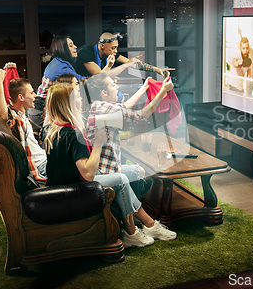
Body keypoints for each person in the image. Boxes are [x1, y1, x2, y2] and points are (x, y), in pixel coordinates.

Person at [43, 83, 177, 248]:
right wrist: (98, 143)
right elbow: (88, 175)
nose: (80, 99)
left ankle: (131, 224)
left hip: (64, 185)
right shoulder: (73, 133)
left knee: (133, 172)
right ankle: (135, 229)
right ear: (68, 103)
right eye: (77, 97)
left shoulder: (54, 128)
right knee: (121, 179)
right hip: (73, 189)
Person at [82, 72, 175, 196]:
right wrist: (163, 90)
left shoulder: (98, 105)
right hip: (103, 171)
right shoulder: (103, 107)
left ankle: (131, 206)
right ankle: (129, 208)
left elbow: (124, 107)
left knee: (140, 172)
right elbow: (141, 116)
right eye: (113, 85)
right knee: (141, 173)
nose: (117, 88)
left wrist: (144, 88)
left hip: (102, 168)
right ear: (104, 92)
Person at [29, 35, 137, 128]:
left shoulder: (60, 62)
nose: (76, 47)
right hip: (42, 110)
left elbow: (86, 82)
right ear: (63, 49)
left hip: (47, 108)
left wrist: (108, 67)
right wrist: (119, 96)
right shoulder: (60, 67)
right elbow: (86, 84)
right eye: (71, 45)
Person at [0, 68, 47, 183]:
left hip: (44, 159)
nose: (35, 95)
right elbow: (2, 114)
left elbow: (12, 92)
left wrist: (10, 70)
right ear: (21, 98)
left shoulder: (20, 113)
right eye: (32, 92)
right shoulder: (14, 118)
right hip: (41, 167)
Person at [74, 32, 170, 78]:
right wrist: (125, 65)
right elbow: (100, 77)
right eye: (113, 48)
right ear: (102, 46)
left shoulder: (111, 53)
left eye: (116, 47)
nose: (115, 51)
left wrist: (157, 70)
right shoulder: (86, 52)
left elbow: (132, 63)